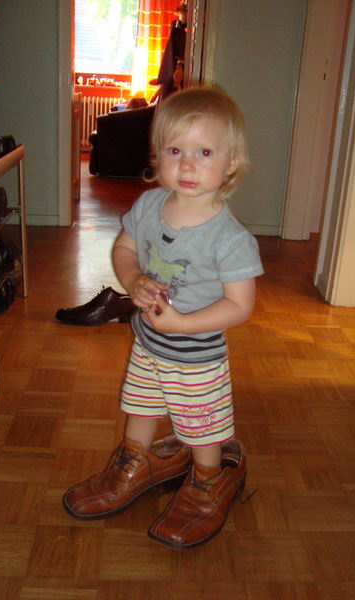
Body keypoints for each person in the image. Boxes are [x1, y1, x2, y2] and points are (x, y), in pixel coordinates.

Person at [63, 86, 264, 549]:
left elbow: (240, 305)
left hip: (196, 356)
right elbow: (125, 248)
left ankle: (209, 479)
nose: (187, 165)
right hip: (148, 344)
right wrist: (132, 278)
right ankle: (134, 462)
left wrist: (182, 325)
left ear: (231, 162)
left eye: (204, 152)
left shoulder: (230, 239)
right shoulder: (149, 207)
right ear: (158, 154)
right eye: (175, 150)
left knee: (202, 426)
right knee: (140, 406)